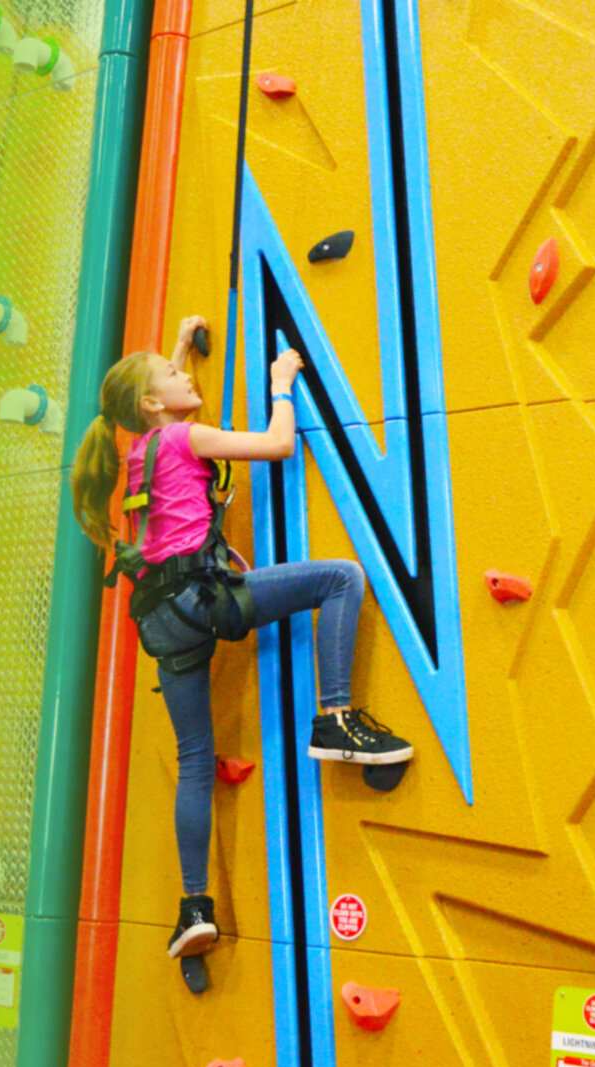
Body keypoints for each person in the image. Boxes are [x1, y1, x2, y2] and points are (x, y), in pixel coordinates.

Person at [70, 316, 413, 959]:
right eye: (174, 375)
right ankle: (336, 717)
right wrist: (282, 381)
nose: (184, 376)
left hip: (162, 622)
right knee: (341, 578)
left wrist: (177, 346)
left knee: (196, 760)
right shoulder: (185, 438)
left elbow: (162, 404)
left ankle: (194, 906)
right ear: (151, 403)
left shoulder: (139, 452)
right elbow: (278, 445)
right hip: (207, 602)